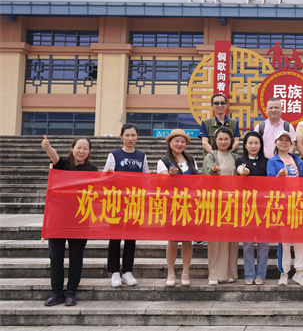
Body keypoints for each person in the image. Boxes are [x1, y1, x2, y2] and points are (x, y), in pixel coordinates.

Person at [41, 135, 96, 307]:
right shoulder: (63, 164)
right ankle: (57, 292)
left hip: (80, 219)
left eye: (85, 148)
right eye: (78, 147)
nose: (81, 151)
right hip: (58, 218)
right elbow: (54, 156)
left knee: (76, 257)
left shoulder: (92, 169)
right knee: (55, 256)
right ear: (72, 148)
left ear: (89, 152)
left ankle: (71, 292)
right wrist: (48, 147)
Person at [103, 123, 149, 288]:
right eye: (127, 135)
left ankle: (127, 271)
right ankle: (115, 272)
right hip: (116, 202)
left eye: (133, 135)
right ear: (121, 136)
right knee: (114, 238)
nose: (130, 138)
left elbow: (147, 178)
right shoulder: (114, 154)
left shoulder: (142, 156)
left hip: (134, 202)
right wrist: (108, 175)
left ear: (137, 137)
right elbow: (105, 176)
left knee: (131, 237)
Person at [266, 130, 303, 287]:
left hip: (299, 205)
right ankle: (284, 272)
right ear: (275, 143)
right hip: (282, 206)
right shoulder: (273, 161)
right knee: (284, 240)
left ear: (291, 143)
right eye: (280, 140)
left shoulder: (297, 160)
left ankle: (300, 272)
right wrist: (278, 177)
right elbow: (269, 184)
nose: (284, 142)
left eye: (287, 140)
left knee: (301, 239)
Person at [157, 129, 198, 287]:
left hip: (190, 205)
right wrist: (169, 176)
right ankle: (171, 271)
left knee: (188, 240)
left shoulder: (191, 160)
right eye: (176, 141)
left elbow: (197, 180)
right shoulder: (164, 161)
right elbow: (160, 183)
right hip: (172, 206)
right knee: (172, 240)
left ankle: (186, 272)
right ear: (169, 142)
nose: (179, 144)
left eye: (182, 141)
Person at [203, 127, 239, 285]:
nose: (223, 142)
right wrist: (213, 170)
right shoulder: (211, 156)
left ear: (231, 140)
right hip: (216, 203)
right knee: (216, 239)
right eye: (220, 139)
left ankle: (230, 272)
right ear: (215, 141)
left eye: (226, 139)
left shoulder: (235, 156)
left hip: (233, 203)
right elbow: (206, 173)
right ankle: (215, 274)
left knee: (232, 239)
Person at [235, 131, 270, 285]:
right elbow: (239, 170)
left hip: (264, 208)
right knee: (247, 243)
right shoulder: (240, 161)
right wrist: (243, 172)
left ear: (261, 145)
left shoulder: (267, 162)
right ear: (245, 145)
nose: (253, 146)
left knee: (264, 244)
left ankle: (260, 275)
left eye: (256, 143)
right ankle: (249, 274)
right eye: (250, 143)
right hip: (246, 208)